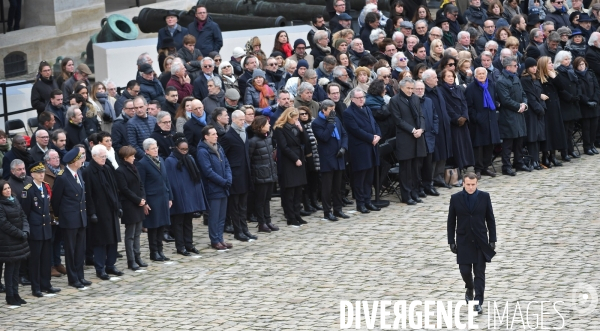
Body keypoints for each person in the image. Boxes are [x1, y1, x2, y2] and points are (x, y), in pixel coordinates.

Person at [447, 172, 497, 315]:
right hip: (463, 240)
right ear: (463, 183)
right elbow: (451, 222)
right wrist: (451, 241)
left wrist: (492, 240)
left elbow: (490, 219)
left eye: (473, 185)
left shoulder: (484, 197)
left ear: (477, 184)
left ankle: (478, 303)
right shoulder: (455, 199)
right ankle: (469, 287)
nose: (470, 187)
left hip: (480, 241)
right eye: (468, 184)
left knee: (479, 273)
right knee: (465, 271)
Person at [82, 145, 123, 280]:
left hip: (111, 209)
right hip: (99, 212)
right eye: (102, 156)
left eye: (105, 156)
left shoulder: (107, 169)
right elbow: (88, 195)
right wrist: (92, 213)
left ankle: (110, 265)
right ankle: (100, 268)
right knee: (100, 241)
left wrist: (118, 206)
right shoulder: (88, 172)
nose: (104, 159)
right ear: (94, 156)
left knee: (113, 240)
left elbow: (114, 189)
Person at [51, 148, 89, 289]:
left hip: (80, 217)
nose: (82, 160)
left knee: (80, 249)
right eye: (80, 158)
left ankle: (80, 276)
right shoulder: (62, 177)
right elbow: (56, 200)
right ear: (73, 161)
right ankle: (73, 278)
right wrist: (61, 217)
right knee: (71, 250)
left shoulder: (78, 173)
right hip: (69, 219)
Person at [165, 134, 207, 255]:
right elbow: (170, 180)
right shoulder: (170, 161)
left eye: (186, 149)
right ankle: (180, 246)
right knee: (178, 223)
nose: (184, 151)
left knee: (188, 222)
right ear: (176, 148)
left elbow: (195, 177)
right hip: (178, 196)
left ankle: (189, 244)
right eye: (182, 149)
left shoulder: (189, 158)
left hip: (189, 196)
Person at [342, 88, 381, 213]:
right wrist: (371, 138)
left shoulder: (367, 108)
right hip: (359, 148)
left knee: (369, 177)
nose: (361, 100)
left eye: (362, 97)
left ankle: (368, 201)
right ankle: (360, 203)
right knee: (360, 178)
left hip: (372, 147)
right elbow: (355, 130)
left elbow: (374, 124)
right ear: (352, 99)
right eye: (358, 98)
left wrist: (378, 135)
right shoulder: (348, 113)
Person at [389, 78, 428, 205]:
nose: (411, 91)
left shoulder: (415, 98)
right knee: (406, 169)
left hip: (418, 136)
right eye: (408, 88)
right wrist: (412, 130)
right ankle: (406, 195)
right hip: (406, 137)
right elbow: (398, 120)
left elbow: (421, 115)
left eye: (412, 88)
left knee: (416, 167)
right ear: (401, 88)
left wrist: (421, 129)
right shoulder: (395, 100)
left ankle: (415, 192)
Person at [220, 110, 256, 241]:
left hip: (245, 173)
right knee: (234, 205)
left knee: (243, 204)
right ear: (233, 120)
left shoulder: (244, 133)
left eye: (243, 119)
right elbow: (223, 156)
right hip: (235, 175)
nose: (243, 122)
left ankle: (244, 229)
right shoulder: (228, 136)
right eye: (240, 120)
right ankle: (238, 230)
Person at [136, 138, 173, 261]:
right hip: (152, 199)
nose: (156, 150)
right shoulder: (142, 163)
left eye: (156, 147)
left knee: (162, 225)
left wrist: (170, 197)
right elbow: (142, 184)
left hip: (163, 197)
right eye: (153, 148)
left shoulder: (161, 160)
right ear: (146, 151)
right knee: (153, 226)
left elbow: (166, 180)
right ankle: (154, 251)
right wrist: (144, 202)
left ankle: (160, 250)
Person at [312, 100, 349, 221]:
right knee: (327, 187)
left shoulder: (336, 119)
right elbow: (324, 137)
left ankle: (338, 209)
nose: (333, 112)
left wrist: (344, 147)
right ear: (323, 110)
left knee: (338, 186)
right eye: (330, 110)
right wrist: (330, 123)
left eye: (334, 109)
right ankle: (327, 211)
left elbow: (344, 134)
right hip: (327, 158)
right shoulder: (317, 123)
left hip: (339, 156)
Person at [197, 126, 233, 250]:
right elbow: (207, 171)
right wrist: (223, 181)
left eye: (216, 134)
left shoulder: (219, 147)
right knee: (214, 216)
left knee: (222, 216)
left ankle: (220, 238)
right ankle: (214, 240)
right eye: (213, 134)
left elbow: (227, 164)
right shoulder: (203, 151)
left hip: (223, 186)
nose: (216, 136)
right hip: (213, 188)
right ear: (206, 136)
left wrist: (228, 179)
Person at [273, 108, 308, 226]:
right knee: (290, 191)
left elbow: (305, 142)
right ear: (288, 117)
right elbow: (284, 147)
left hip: (299, 157)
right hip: (289, 161)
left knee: (298, 190)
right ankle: (290, 216)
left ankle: (297, 214)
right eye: (295, 118)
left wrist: (301, 130)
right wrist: (295, 159)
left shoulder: (296, 127)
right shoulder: (280, 128)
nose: (296, 120)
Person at [495, 56, 530, 175]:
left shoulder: (516, 78)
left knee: (520, 140)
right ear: (508, 67)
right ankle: (506, 166)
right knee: (508, 142)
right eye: (515, 66)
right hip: (508, 115)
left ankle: (519, 162)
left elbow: (523, 93)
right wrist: (518, 106)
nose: (517, 67)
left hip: (519, 114)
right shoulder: (501, 81)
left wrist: (524, 104)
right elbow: (505, 100)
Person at [115, 146, 147, 271]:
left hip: (138, 203)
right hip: (130, 205)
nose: (134, 157)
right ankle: (131, 259)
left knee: (138, 232)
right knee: (130, 234)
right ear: (125, 157)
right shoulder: (120, 170)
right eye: (132, 155)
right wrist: (138, 200)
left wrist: (143, 198)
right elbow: (124, 189)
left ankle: (137, 256)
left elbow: (140, 184)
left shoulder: (134, 167)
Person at [438, 69, 475, 177]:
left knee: (465, 144)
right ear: (443, 78)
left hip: (463, 121)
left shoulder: (458, 88)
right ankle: (458, 168)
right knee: (456, 145)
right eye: (448, 76)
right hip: (454, 123)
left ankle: (467, 165)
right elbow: (446, 106)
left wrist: (464, 116)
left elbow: (464, 102)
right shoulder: (441, 90)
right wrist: (456, 118)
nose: (450, 78)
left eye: (452, 76)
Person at [466, 67, 501, 178]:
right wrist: (476, 117)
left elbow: (495, 97)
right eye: (479, 74)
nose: (481, 76)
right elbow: (469, 106)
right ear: (475, 76)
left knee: (489, 145)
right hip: (478, 121)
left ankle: (486, 167)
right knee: (479, 146)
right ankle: (478, 169)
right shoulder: (471, 88)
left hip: (491, 119)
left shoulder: (491, 84)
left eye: (483, 74)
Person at [0, 179, 30, 306]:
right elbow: (4, 224)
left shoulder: (14, 200)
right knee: (10, 269)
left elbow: (23, 216)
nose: (8, 190)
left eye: (8, 188)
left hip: (19, 239)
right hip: (8, 241)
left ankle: (16, 293)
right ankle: (10, 295)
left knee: (17, 268)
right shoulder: (1, 205)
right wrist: (19, 233)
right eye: (5, 189)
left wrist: (25, 230)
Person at [247, 116, 279, 232]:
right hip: (259, 175)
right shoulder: (253, 141)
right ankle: (261, 223)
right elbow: (249, 159)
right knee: (260, 200)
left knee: (267, 199)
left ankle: (268, 221)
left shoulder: (268, 138)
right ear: (260, 126)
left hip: (269, 173)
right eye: (267, 124)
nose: (269, 126)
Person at [554, 51, 583, 161]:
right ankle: (564, 152)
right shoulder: (557, 72)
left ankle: (570, 150)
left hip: (573, 103)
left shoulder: (571, 71)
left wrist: (577, 95)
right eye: (565, 59)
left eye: (569, 59)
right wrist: (570, 97)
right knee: (565, 130)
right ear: (560, 60)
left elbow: (577, 83)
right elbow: (560, 89)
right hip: (565, 103)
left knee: (570, 129)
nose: (568, 61)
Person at [520, 58, 547, 170]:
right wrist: (539, 109)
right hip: (531, 111)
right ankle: (533, 160)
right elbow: (530, 97)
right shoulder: (525, 79)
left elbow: (537, 94)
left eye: (535, 66)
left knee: (537, 136)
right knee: (532, 137)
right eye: (531, 67)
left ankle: (536, 159)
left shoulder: (535, 78)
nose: (534, 68)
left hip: (538, 110)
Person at [573, 57, 600, 155]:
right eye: (579, 65)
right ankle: (587, 146)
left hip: (595, 104)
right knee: (586, 127)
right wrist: (587, 101)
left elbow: (597, 88)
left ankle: (592, 144)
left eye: (583, 64)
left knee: (594, 126)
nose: (582, 66)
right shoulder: (575, 76)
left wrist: (595, 99)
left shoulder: (591, 74)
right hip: (584, 106)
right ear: (576, 66)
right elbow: (578, 91)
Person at [298, 106, 322, 215]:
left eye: (305, 114)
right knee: (306, 182)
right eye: (301, 114)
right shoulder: (299, 126)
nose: (303, 115)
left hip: (315, 156)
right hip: (305, 157)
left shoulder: (312, 124)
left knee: (314, 180)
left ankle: (314, 201)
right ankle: (307, 204)